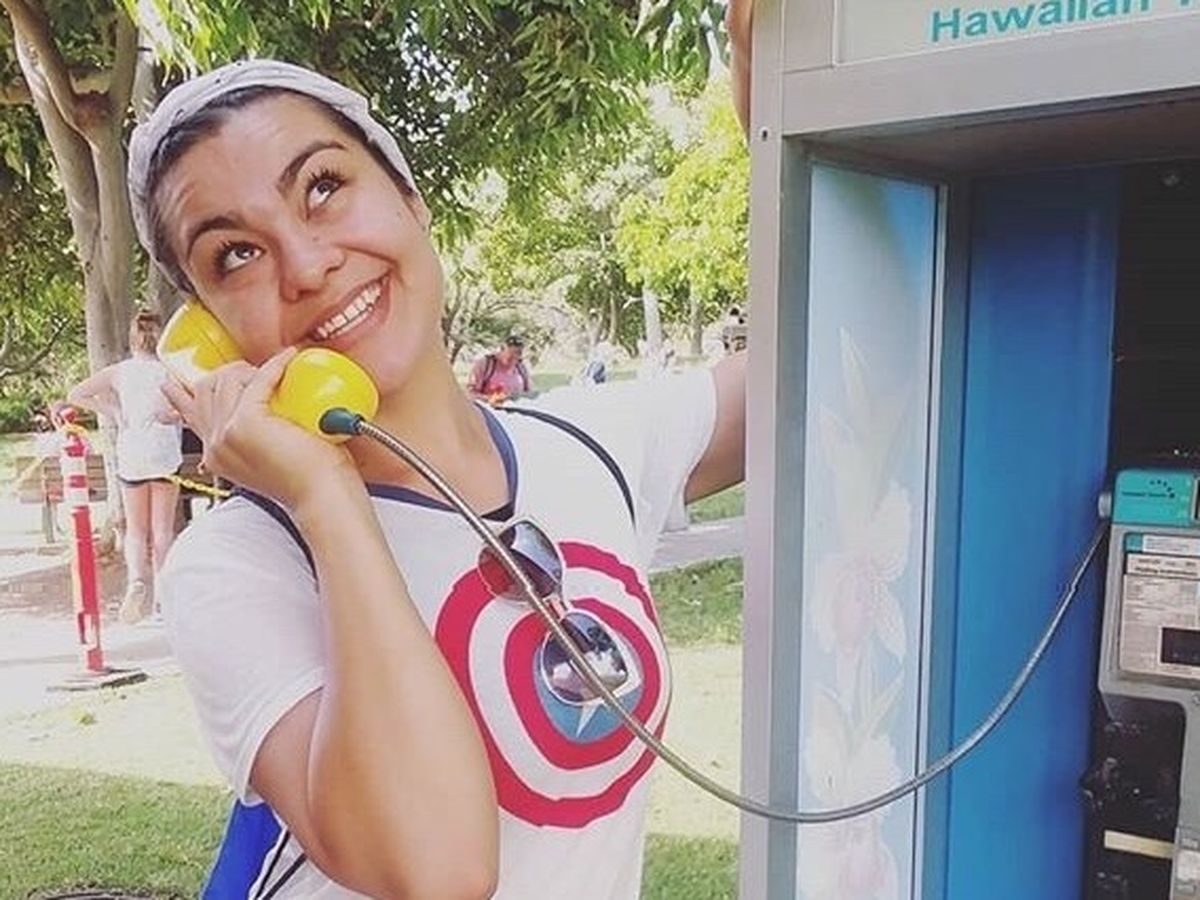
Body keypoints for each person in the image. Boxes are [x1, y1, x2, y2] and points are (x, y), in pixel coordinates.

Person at [130, 5, 751, 893]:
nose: (305, 265)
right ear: (209, 334)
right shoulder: (235, 566)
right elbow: (439, 871)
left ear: (409, 197)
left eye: (323, 187)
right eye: (235, 255)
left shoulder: (586, 444)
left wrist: (776, 119)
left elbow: (824, 347)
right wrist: (327, 497)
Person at [65, 311, 182, 623]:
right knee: (162, 531)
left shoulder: (119, 372)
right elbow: (187, 405)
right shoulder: (170, 371)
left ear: (132, 340)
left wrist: (113, 410)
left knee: (136, 530)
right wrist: (172, 416)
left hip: (132, 453)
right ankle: (162, 601)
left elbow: (76, 394)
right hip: (164, 454)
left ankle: (136, 582)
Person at [466, 333, 533, 403]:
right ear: (502, 350)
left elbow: (529, 394)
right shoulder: (485, 364)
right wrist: (490, 399)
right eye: (510, 357)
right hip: (489, 407)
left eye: (518, 354)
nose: (515, 359)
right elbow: (470, 394)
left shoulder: (522, 368)